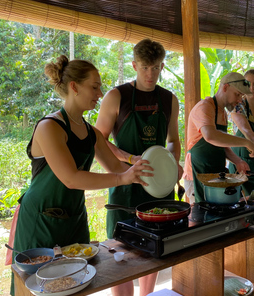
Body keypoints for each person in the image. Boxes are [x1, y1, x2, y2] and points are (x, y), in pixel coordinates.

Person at [10, 55, 152, 295]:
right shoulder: (49, 127)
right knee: (38, 285)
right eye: (94, 87)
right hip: (40, 218)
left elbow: (117, 169)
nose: (99, 93)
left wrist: (144, 172)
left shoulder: (91, 132)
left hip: (74, 216)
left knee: (76, 282)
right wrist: (122, 178)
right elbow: (71, 178)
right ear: (74, 87)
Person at [95, 38, 182, 296]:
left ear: (162, 67)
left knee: (154, 249)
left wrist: (173, 162)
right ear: (134, 65)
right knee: (120, 253)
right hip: (124, 184)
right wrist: (128, 158)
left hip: (159, 187)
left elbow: (173, 140)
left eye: (155, 68)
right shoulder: (116, 96)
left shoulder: (168, 99)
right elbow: (98, 139)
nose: (150, 74)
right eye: (145, 67)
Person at [184, 71, 254, 203]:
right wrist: (247, 143)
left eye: (241, 96)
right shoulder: (205, 107)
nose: (239, 100)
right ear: (225, 87)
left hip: (215, 175)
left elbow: (221, 145)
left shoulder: (222, 113)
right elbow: (211, 136)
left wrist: (237, 161)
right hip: (197, 174)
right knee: (202, 217)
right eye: (237, 94)